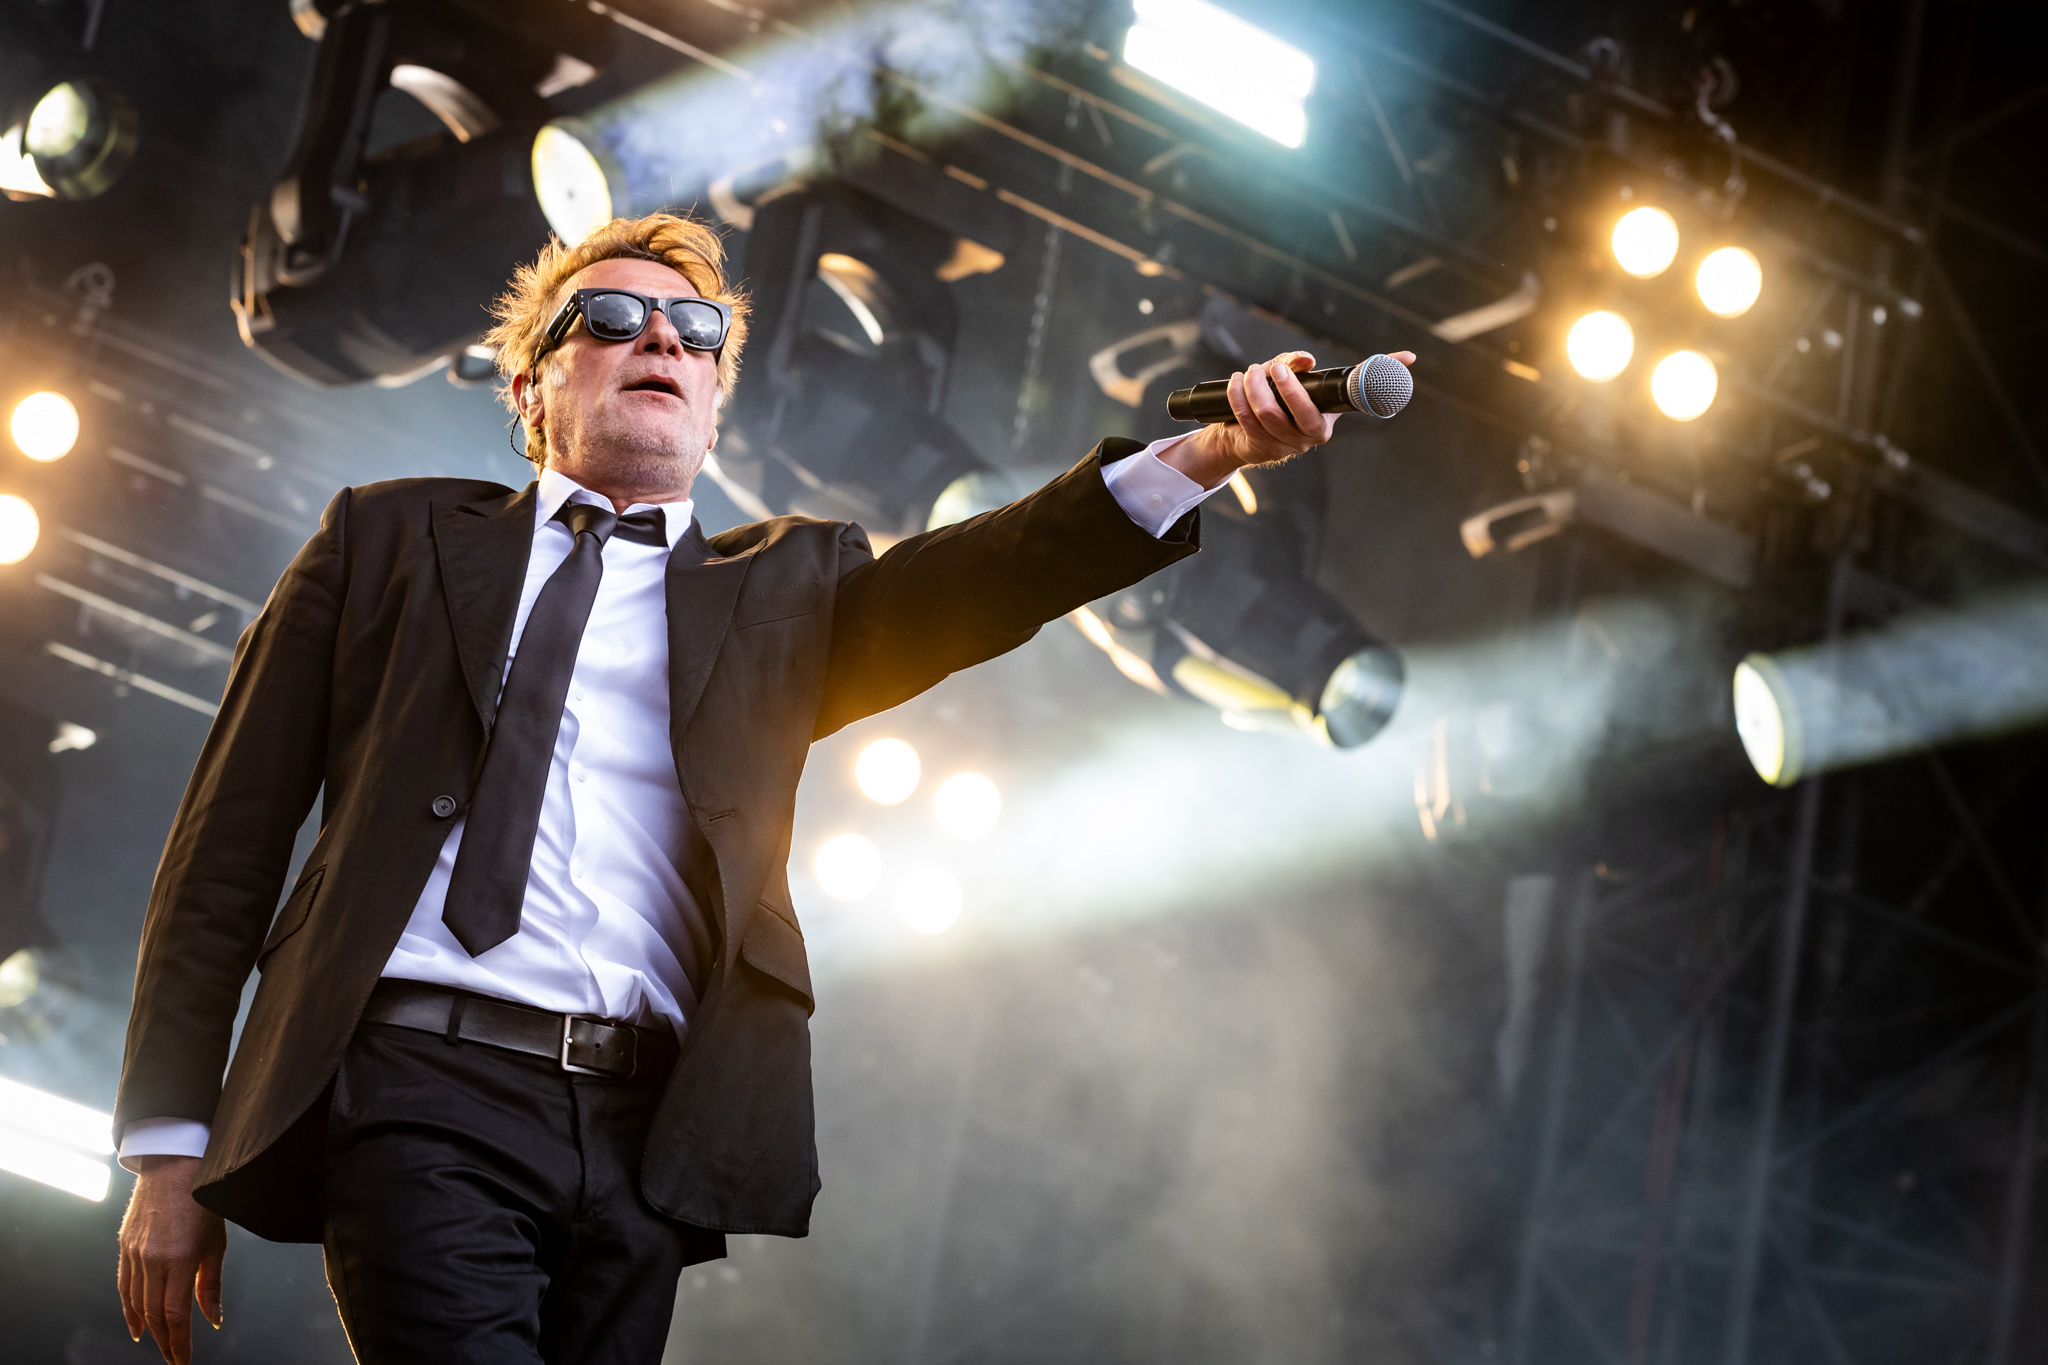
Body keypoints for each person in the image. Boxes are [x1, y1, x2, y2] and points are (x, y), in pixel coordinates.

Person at [111, 212, 1410, 1364]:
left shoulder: (782, 591)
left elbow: (987, 576)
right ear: (529, 383)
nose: (660, 341)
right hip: (419, 1092)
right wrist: (168, 1150)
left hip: (647, 1134)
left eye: (697, 332)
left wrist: (1207, 454)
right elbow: (226, 843)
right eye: (611, 318)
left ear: (716, 405)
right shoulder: (386, 539)